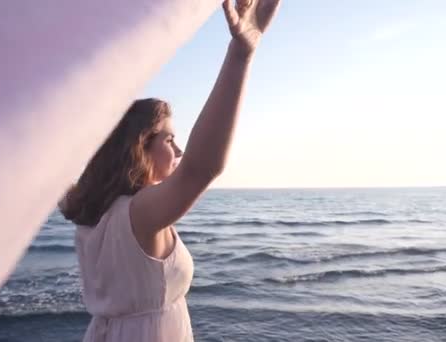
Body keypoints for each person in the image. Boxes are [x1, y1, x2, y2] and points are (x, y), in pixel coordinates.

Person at [59, 0, 280, 340]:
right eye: (169, 139)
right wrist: (241, 54)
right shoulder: (140, 213)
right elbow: (201, 168)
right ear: (139, 146)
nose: (179, 150)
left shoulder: (94, 214)